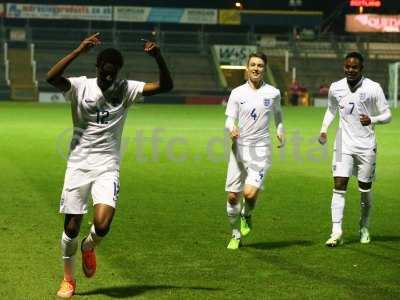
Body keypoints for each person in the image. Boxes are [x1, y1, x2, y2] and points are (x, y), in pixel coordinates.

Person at [46, 33, 173, 298]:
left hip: (107, 165)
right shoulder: (81, 86)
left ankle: (89, 247)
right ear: (97, 68)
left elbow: (165, 86)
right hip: (78, 165)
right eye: (105, 73)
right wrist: (79, 50)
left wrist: (158, 57)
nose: (108, 79)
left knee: (102, 225)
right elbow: (51, 77)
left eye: (112, 74)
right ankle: (68, 280)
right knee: (71, 227)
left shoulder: (125, 88)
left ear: (118, 72)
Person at [318, 52, 391, 247]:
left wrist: (372, 120)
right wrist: (324, 129)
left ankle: (364, 226)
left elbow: (388, 115)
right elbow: (331, 109)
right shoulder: (336, 87)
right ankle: (336, 231)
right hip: (343, 143)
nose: (350, 70)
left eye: (354, 67)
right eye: (347, 67)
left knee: (364, 189)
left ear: (361, 69)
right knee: (339, 186)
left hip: (366, 145)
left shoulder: (373, 88)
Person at [224, 52, 285, 250]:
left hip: (261, 149)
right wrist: (231, 128)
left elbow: (278, 114)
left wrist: (280, 129)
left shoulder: (273, 92)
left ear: (264, 68)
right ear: (247, 67)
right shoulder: (237, 93)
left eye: (260, 65)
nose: (256, 68)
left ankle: (247, 214)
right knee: (233, 196)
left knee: (249, 195)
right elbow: (229, 119)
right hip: (239, 148)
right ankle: (235, 235)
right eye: (253, 65)